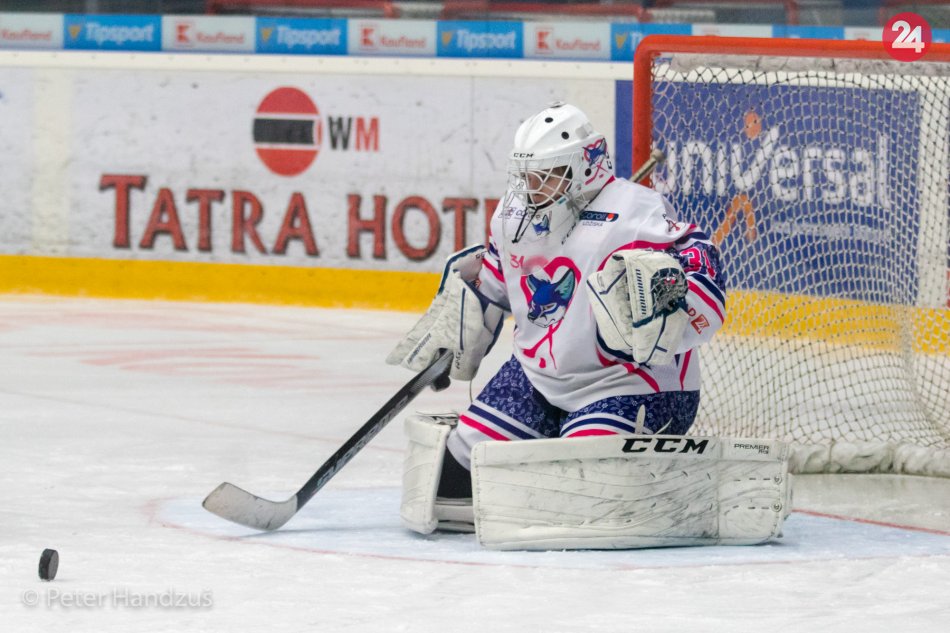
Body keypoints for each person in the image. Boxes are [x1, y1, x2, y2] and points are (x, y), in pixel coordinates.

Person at [387, 101, 726, 518]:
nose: (532, 190)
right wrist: (459, 328)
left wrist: (671, 294)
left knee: (578, 498)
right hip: (537, 376)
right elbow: (495, 281)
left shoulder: (635, 213)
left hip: (628, 385)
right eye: (526, 177)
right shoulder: (513, 215)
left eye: (546, 176)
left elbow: (702, 271)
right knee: (451, 484)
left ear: (585, 167)